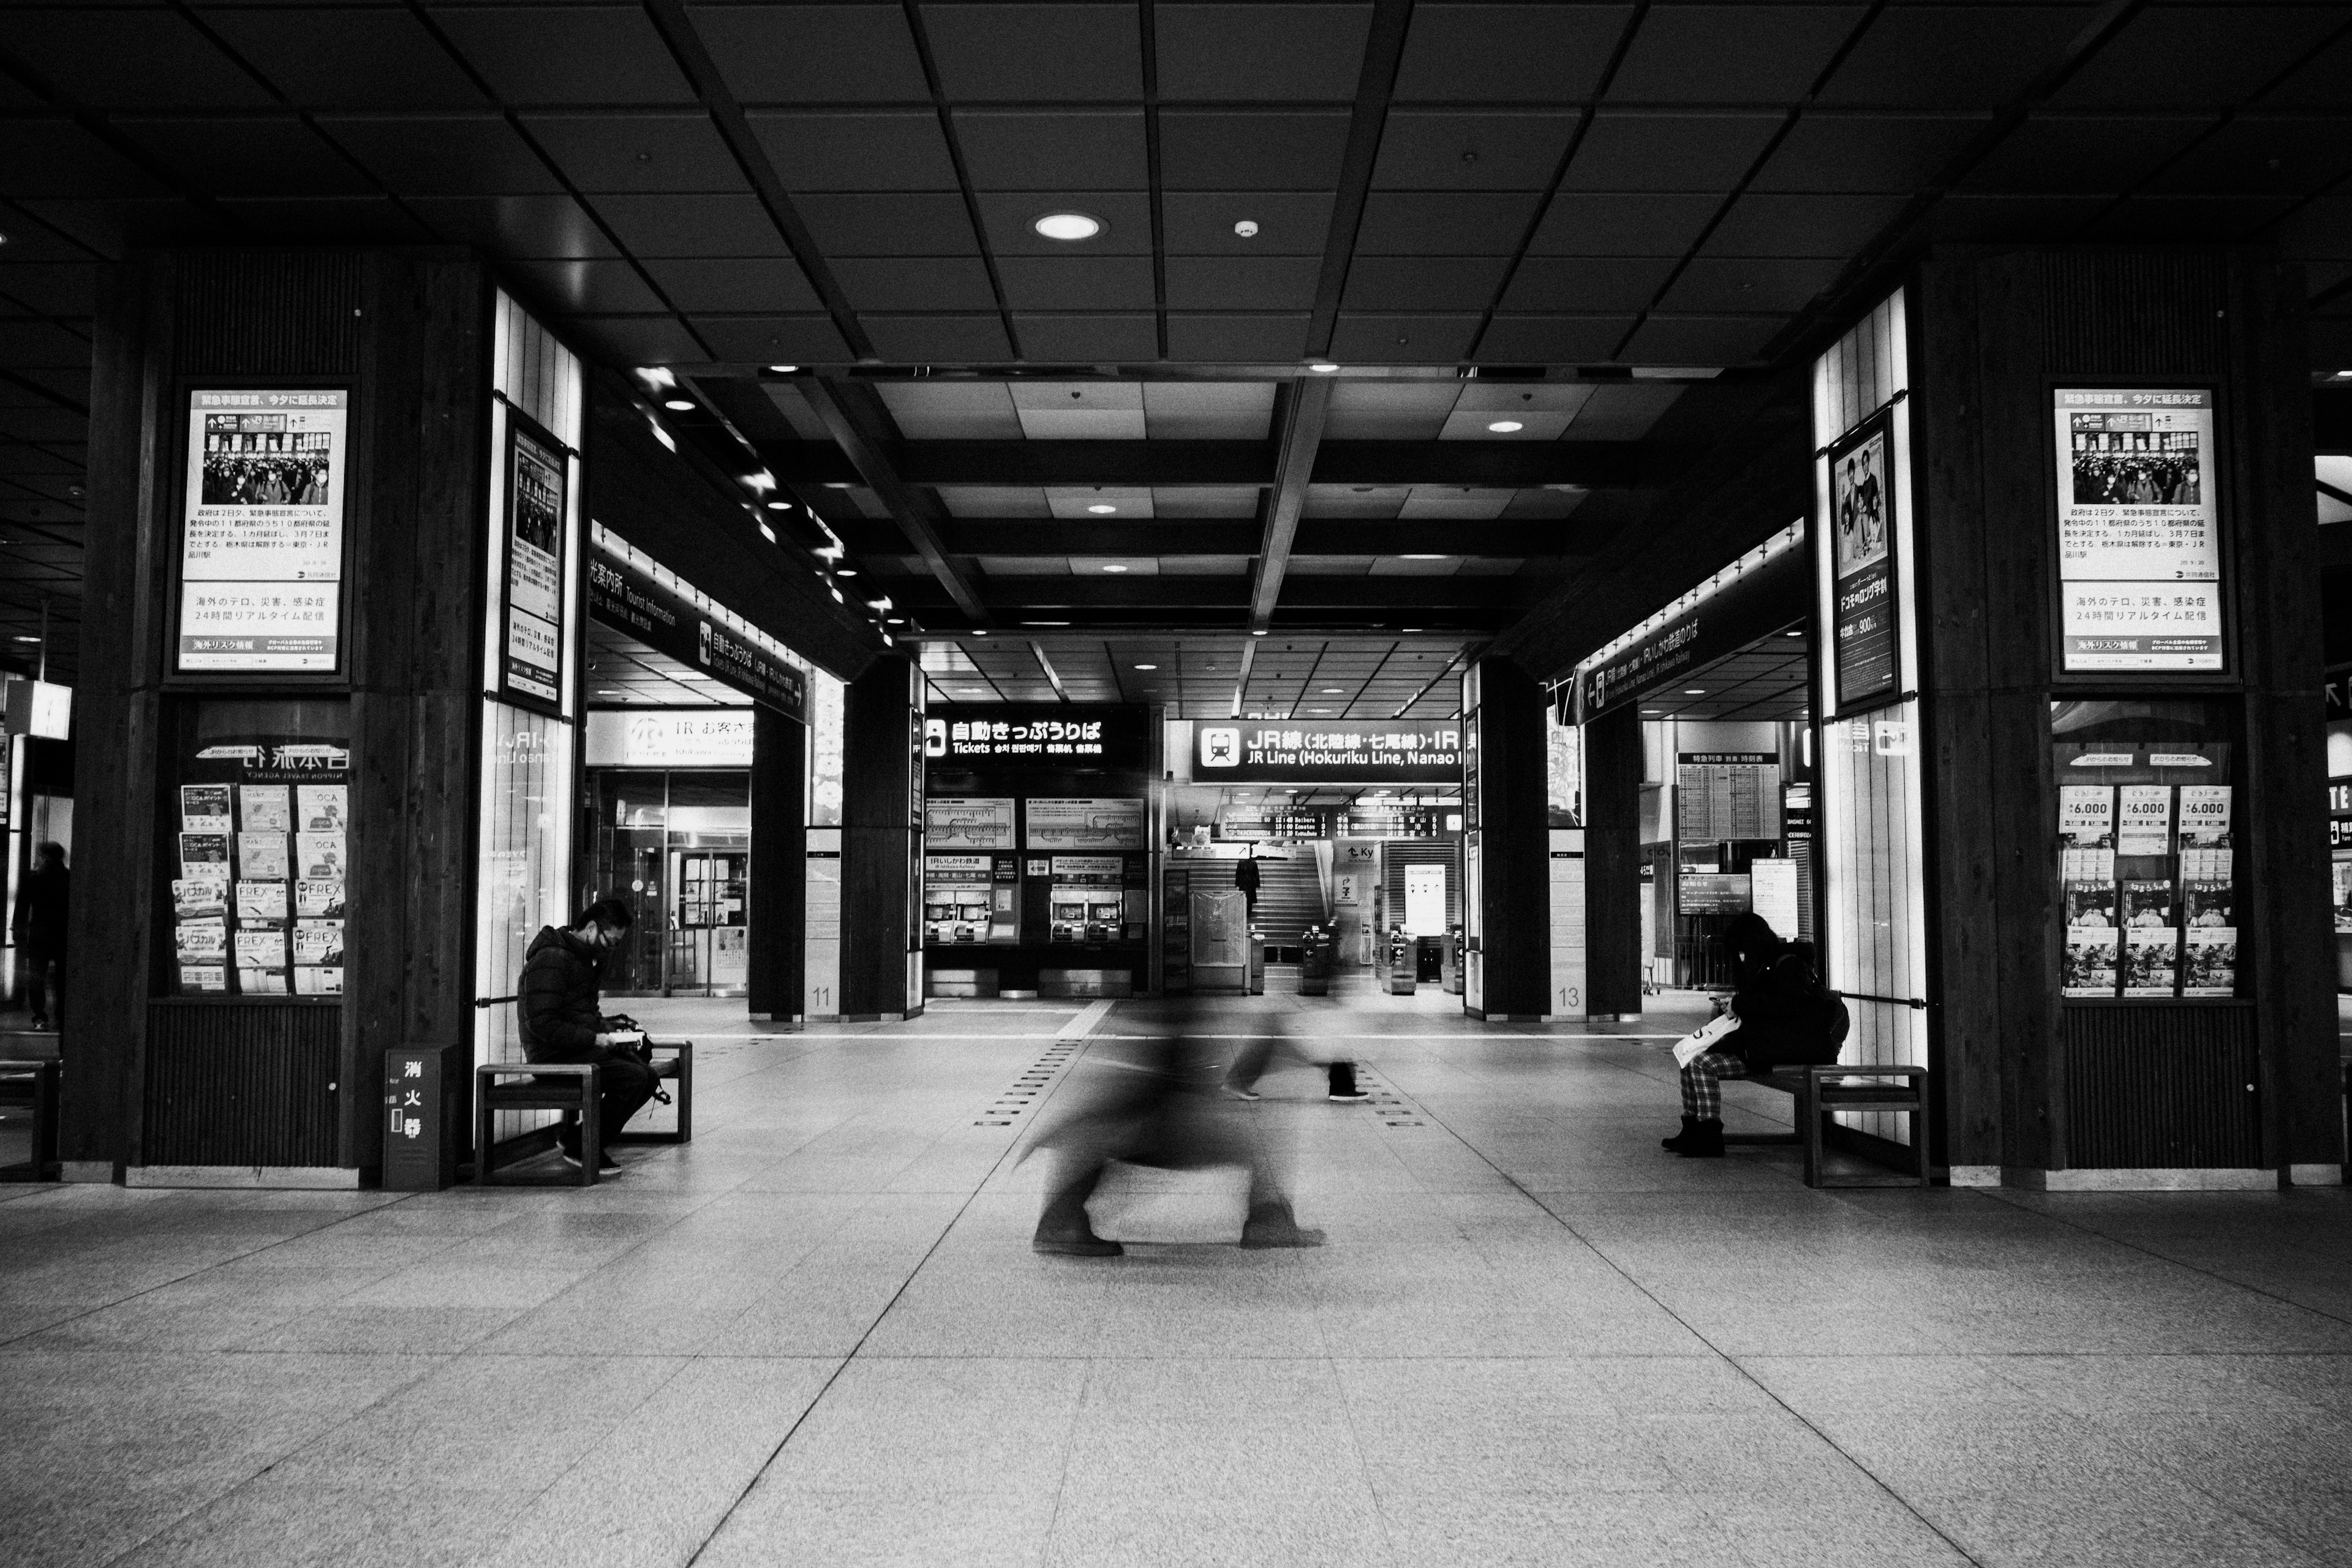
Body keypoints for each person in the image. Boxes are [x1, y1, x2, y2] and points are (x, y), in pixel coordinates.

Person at [1664, 941, 1849, 1158]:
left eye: (1743, 953)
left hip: (1778, 1051)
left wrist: (1741, 1003)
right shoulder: (1773, 966)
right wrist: (1737, 1004)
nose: (1741, 959)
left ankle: (1708, 1136)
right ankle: (1692, 1131)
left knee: (1701, 1064)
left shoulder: (1789, 967)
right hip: (1764, 1045)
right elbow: (1767, 1006)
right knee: (1689, 1057)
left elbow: (1780, 1008)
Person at [517, 897, 657, 1174]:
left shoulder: (581, 959)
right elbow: (542, 1024)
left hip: (574, 1048)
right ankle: (583, 1147)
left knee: (647, 1076)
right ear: (591, 928)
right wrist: (594, 1039)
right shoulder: (552, 959)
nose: (613, 949)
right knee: (635, 1078)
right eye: (610, 942)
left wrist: (612, 1031)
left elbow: (585, 1013)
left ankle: (578, 1138)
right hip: (552, 1055)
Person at [11, 842, 68, 1031]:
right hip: (62, 934)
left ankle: (40, 1017)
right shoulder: (69, 878)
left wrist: (18, 931)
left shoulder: (34, 878)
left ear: (44, 857)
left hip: (39, 934)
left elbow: (22, 907)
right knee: (62, 979)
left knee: (36, 978)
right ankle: (62, 1015)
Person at [1233, 848, 1260, 915]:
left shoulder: (1241, 863)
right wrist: (1257, 884)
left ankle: (1244, 912)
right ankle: (1248, 912)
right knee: (1249, 899)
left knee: (1243, 898)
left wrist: (1237, 884)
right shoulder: (1254, 863)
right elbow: (1256, 874)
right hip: (1251, 883)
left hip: (1243, 883)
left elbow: (1238, 874)